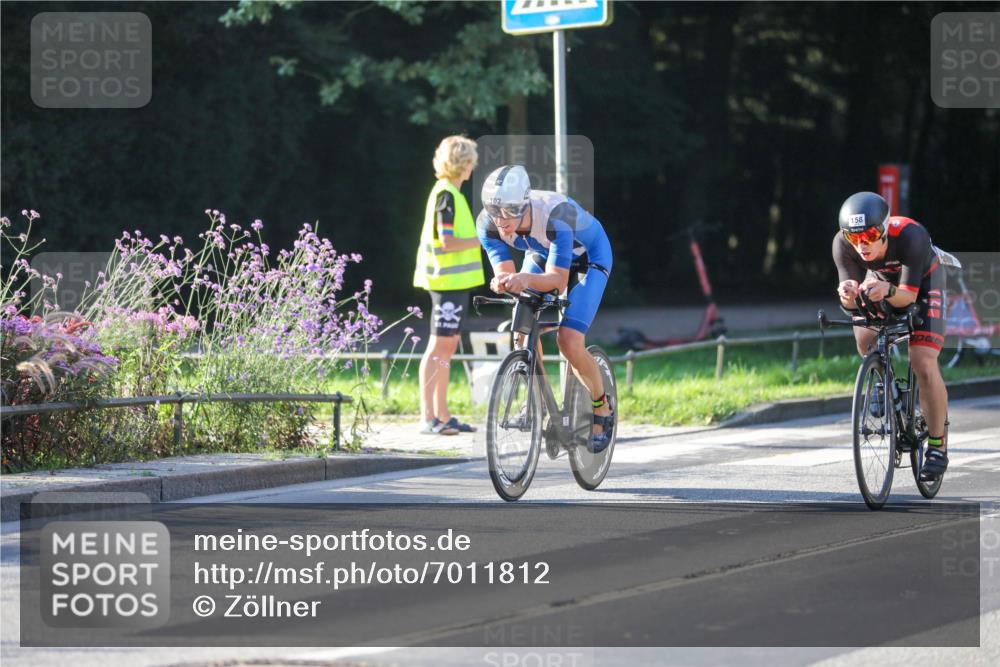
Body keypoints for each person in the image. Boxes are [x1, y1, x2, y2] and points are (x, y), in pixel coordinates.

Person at [476, 165, 615, 452]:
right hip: (542, 254)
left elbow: (557, 281)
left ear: (525, 205)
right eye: (493, 210)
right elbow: (506, 273)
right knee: (522, 331)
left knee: (569, 340)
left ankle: (602, 406)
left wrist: (524, 278)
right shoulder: (487, 223)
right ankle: (538, 403)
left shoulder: (555, 215)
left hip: (589, 258)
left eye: (509, 211)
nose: (500, 220)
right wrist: (503, 281)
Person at [832, 191, 949, 480]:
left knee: (922, 361)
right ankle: (882, 382)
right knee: (864, 338)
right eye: (854, 237)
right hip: (882, 282)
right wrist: (847, 293)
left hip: (922, 283)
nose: (862, 244)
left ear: (884, 230)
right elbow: (848, 302)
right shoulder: (842, 245)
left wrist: (889, 292)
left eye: (870, 235)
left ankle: (937, 446)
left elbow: (907, 297)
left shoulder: (911, 236)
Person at [413, 136, 485, 435]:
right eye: (471, 161)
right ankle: (429, 417)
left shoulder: (449, 194)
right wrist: (481, 238)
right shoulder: (446, 195)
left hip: (455, 283)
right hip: (446, 282)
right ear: (464, 164)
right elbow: (447, 243)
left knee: (446, 347)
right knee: (439, 348)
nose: (473, 166)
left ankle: (441, 414)